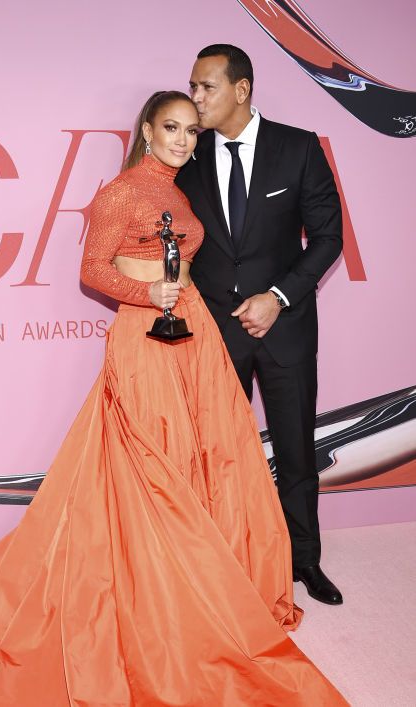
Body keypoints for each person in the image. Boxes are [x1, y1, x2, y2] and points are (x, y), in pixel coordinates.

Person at [0, 92, 347, 706]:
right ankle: (156, 591)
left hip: (194, 332)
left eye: (191, 131)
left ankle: (197, 577)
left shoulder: (180, 189)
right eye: (171, 128)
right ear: (146, 129)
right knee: (150, 462)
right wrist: (149, 297)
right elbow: (92, 269)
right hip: (146, 332)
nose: (182, 140)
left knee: (201, 456)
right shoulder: (121, 192)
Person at [176, 45, 344, 606]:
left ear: (241, 90)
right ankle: (222, 563)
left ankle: (304, 560)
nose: (196, 98)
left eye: (206, 87)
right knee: (215, 453)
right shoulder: (187, 156)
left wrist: (277, 297)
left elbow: (328, 239)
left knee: (295, 449)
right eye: (193, 87)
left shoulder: (298, 148)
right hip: (214, 333)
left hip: (285, 328)